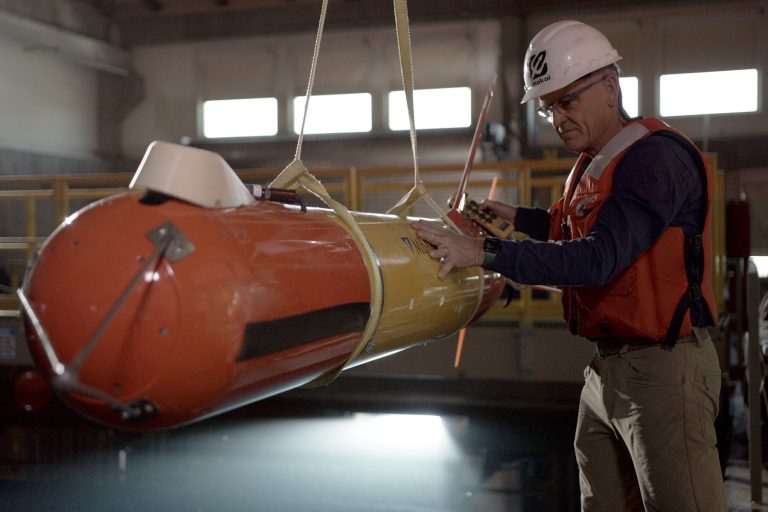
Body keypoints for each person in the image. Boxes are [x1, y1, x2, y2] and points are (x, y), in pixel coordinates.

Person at [412, 20, 726, 512]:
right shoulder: (595, 164)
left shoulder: (654, 161)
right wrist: (513, 218)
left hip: (663, 369)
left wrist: (485, 253)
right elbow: (574, 234)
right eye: (548, 107)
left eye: (567, 101)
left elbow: (598, 256)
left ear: (609, 85)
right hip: (608, 370)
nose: (556, 118)